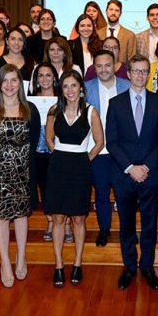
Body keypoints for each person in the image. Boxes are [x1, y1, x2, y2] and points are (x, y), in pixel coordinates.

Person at [106, 54, 158, 291]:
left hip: (151, 175)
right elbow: (112, 141)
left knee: (150, 224)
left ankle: (148, 267)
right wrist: (131, 168)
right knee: (127, 225)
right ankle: (130, 267)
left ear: (149, 75)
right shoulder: (116, 103)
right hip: (124, 175)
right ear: (128, 73)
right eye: (136, 71)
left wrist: (146, 167)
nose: (140, 75)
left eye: (145, 71)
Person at [0, 64, 40, 287]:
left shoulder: (30, 108)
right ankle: (5, 262)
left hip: (23, 173)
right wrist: (1, 155)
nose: (9, 85)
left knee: (22, 216)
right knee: (1, 218)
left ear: (20, 83)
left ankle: (21, 257)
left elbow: (34, 139)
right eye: (5, 80)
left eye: (14, 80)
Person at [44, 71, 105, 287]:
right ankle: (59, 265)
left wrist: (84, 160)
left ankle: (77, 263)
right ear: (61, 89)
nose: (70, 90)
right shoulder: (54, 111)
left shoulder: (91, 112)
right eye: (65, 86)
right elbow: (49, 139)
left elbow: (100, 142)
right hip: (58, 167)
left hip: (80, 168)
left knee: (79, 218)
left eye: (73, 85)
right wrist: (60, 155)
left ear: (81, 88)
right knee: (58, 218)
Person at [84, 50, 131, 246]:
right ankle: (104, 229)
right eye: (99, 66)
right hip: (97, 150)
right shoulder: (86, 88)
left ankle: (127, 231)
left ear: (115, 66)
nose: (103, 70)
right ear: (94, 68)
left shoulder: (127, 86)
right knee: (102, 193)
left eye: (107, 65)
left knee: (124, 194)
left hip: (122, 150)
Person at [29, 63, 61, 242]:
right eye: (40, 75)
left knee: (59, 187)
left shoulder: (63, 98)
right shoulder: (30, 100)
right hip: (37, 151)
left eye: (48, 75)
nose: (44, 79)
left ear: (55, 78)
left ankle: (62, 222)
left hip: (59, 149)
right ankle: (50, 221)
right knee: (44, 188)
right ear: (36, 79)